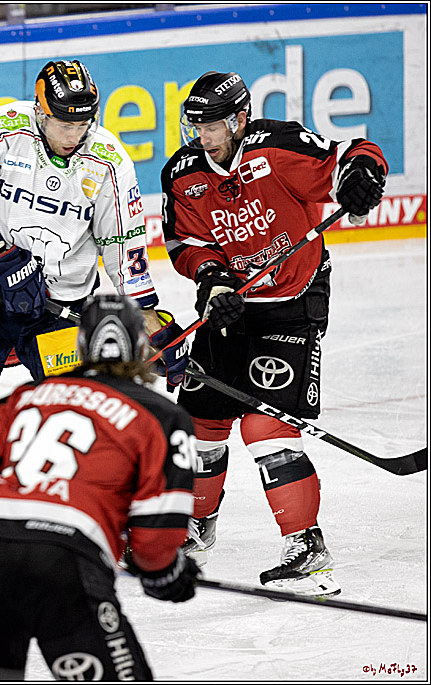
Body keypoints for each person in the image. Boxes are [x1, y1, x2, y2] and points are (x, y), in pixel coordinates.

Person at [0, 59, 190, 608]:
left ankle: (96, 528)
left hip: (60, 309)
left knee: (78, 417)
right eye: (64, 122)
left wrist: (149, 316)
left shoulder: (110, 161)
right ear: (41, 113)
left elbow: (124, 249)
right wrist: (1, 261)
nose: (75, 132)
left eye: (83, 122)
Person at [161, 71, 387, 597]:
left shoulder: (278, 145)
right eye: (196, 126)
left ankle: (307, 546)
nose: (202, 137)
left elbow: (356, 153)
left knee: (266, 428)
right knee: (200, 421)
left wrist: (361, 177)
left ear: (239, 119)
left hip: (292, 304)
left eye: (211, 126)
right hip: (229, 308)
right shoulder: (183, 173)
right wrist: (213, 281)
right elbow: (185, 243)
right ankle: (195, 529)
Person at [0, 294, 199, 680]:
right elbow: (156, 530)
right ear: (142, 348)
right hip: (66, 563)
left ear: (80, 346)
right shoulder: (162, 416)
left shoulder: (27, 396)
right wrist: (164, 572)